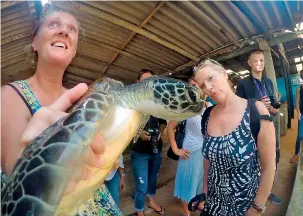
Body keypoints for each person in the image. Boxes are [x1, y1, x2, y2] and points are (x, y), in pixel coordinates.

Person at [1, 10, 121, 215]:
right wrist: (28, 166)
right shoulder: (9, 94)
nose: (64, 31)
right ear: (35, 42)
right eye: (53, 25)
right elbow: (13, 160)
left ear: (74, 51)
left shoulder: (83, 98)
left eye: (71, 29)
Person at [192, 59, 276, 215]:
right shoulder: (207, 116)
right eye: (202, 85)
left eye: (211, 78)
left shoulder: (255, 111)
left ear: (224, 73)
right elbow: (207, 159)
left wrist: (256, 209)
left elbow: (269, 167)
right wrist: (205, 190)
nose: (209, 87)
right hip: (213, 205)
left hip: (243, 206)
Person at [236, 49, 282, 205]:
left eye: (261, 60)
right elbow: (239, 110)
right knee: (254, 162)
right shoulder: (243, 84)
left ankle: (266, 191)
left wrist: (272, 108)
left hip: (269, 126)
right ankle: (252, 195)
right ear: (249, 63)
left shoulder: (268, 83)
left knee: (272, 161)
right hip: (252, 129)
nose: (259, 63)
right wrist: (259, 106)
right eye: (255, 61)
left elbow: (275, 109)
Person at [131, 69, 167, 216]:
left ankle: (151, 200)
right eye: (145, 80)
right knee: (141, 185)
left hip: (156, 148)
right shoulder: (132, 101)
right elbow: (125, 125)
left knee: (153, 178)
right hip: (139, 151)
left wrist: (160, 133)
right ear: (138, 82)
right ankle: (140, 211)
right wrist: (138, 133)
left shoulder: (157, 101)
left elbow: (163, 121)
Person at [167, 77, 205, 216]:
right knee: (188, 183)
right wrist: (176, 149)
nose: (195, 87)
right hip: (190, 151)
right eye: (191, 85)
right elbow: (170, 128)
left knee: (201, 182)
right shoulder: (186, 107)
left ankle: (199, 203)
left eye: (197, 84)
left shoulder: (207, 106)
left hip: (205, 152)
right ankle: (186, 212)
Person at [290, 70, 303, 164]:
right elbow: (297, 102)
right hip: (302, 115)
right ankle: (296, 154)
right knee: (299, 136)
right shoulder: (299, 88)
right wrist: (298, 112)